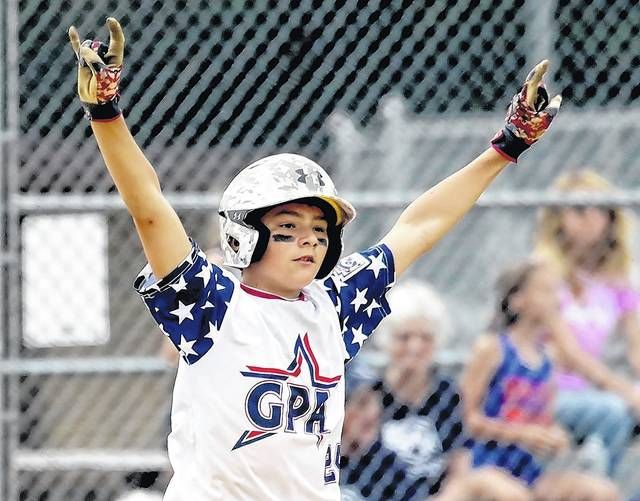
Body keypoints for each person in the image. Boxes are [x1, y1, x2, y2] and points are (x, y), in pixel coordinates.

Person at [68, 18, 561, 500]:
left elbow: (419, 226)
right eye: (287, 230)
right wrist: (106, 114)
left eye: (320, 231)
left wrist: (506, 147)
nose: (309, 241)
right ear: (243, 237)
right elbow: (149, 208)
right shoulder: (214, 303)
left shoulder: (334, 301)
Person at [461, 260, 620, 500]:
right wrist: (522, 434)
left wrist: (554, 436)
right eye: (545, 291)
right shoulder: (492, 348)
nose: (555, 300)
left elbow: (543, 418)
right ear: (517, 301)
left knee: (602, 492)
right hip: (486, 464)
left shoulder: (547, 358)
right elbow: (465, 419)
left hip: (528, 470)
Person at [368, 280, 532, 500]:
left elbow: (459, 466)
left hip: (440, 496)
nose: (415, 347)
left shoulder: (445, 393)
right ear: (387, 340)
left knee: (496, 484)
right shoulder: (369, 395)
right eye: (404, 337)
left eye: (425, 338)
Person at [535, 170, 640, 474]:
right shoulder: (544, 272)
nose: (591, 218)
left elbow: (636, 347)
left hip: (595, 390)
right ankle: (600, 490)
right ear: (559, 219)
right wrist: (624, 390)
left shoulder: (618, 278)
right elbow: (569, 354)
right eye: (580, 209)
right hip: (549, 392)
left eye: (601, 209)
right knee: (613, 412)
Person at [340, 361, 531, 501]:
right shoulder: (319, 463)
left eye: (373, 401)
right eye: (360, 404)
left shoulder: (381, 459)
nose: (372, 414)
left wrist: (471, 486)